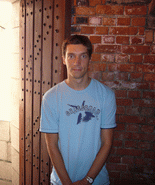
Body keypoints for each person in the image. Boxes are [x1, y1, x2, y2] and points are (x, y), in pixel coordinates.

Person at [40, 35, 117, 185]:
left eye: (83, 56)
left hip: (97, 181)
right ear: (63, 59)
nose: (77, 62)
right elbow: (52, 145)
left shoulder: (106, 95)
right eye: (71, 56)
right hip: (61, 182)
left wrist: (87, 180)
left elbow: (107, 143)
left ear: (89, 59)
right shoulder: (50, 98)